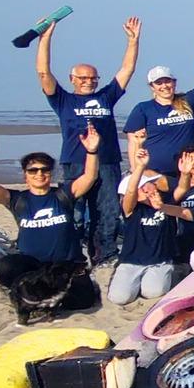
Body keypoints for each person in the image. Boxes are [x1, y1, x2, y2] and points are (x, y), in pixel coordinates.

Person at [36, 15, 140, 263]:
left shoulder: (106, 97)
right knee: (74, 212)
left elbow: (127, 70)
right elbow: (43, 72)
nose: (88, 82)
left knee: (107, 211)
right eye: (82, 78)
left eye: (93, 78)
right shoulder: (63, 100)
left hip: (107, 162)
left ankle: (104, 255)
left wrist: (133, 41)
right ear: (72, 79)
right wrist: (46, 37)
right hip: (75, 162)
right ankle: (71, 255)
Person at [0, 132, 102, 319]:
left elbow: (89, 177)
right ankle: (25, 296)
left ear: (50, 173)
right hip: (32, 266)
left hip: (64, 265)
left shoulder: (62, 195)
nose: (39, 174)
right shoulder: (19, 200)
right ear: (25, 175)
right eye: (33, 170)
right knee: (3, 269)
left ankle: (49, 299)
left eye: (44, 170)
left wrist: (92, 151)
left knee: (83, 301)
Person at [123, 44, 194, 182]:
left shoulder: (187, 102)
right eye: (159, 83)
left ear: (174, 83)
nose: (164, 86)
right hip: (157, 174)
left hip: (190, 170)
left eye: (167, 81)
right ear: (152, 87)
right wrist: (137, 173)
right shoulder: (143, 109)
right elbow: (134, 143)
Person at [107, 160, 180, 305]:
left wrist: (183, 173)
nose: (148, 189)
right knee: (119, 298)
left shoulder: (166, 203)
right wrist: (139, 167)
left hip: (159, 262)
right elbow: (130, 192)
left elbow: (182, 189)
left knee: (152, 292)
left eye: (148, 184)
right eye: (143, 187)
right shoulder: (131, 210)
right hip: (131, 262)